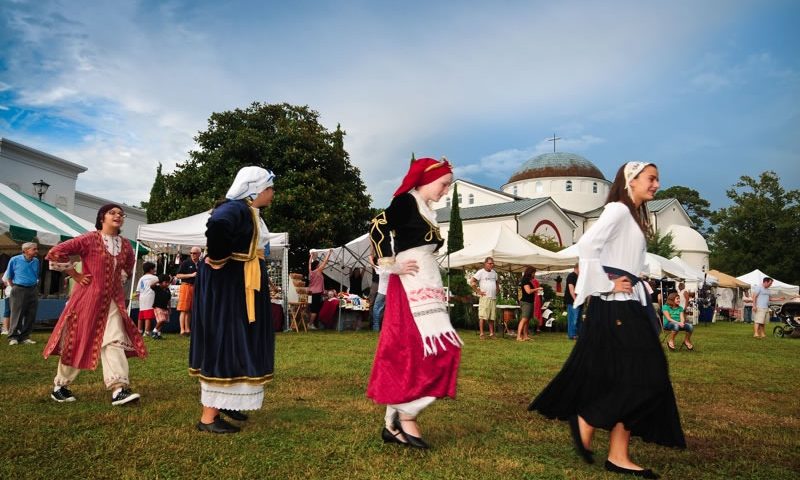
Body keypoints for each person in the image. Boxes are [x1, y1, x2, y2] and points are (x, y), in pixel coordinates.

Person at [529, 162, 685, 479]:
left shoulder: (632, 216)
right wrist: (606, 284)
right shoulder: (617, 210)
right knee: (650, 375)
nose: (657, 184)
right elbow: (587, 246)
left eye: (658, 178)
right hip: (616, 306)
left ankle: (618, 455)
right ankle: (586, 418)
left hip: (626, 304)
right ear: (632, 180)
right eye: (651, 178)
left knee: (628, 376)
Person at [367, 156, 462, 449]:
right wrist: (389, 263)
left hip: (426, 283)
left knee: (423, 350)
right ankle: (405, 417)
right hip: (409, 285)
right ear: (428, 179)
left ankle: (393, 421)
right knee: (415, 350)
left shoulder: (424, 209)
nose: (445, 191)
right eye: (444, 184)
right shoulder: (406, 202)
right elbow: (377, 225)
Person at [189, 166, 276, 434]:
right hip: (229, 287)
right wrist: (216, 259)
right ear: (257, 190)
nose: (273, 194)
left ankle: (227, 401)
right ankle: (208, 417)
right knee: (226, 338)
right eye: (271, 189)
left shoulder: (249, 212)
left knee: (240, 340)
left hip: (240, 284)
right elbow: (217, 226)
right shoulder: (236, 208)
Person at [44, 204, 147, 405]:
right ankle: (60, 385)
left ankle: (119, 389)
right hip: (87, 300)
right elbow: (56, 252)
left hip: (113, 302)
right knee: (78, 339)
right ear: (102, 218)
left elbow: (128, 264)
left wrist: (119, 279)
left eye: (121, 214)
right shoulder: (89, 239)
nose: (118, 216)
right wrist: (75, 274)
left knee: (114, 340)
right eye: (112, 213)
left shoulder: (125, 245)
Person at [6, 242, 41, 346]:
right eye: (34, 249)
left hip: (33, 288)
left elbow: (36, 274)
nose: (37, 251)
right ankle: (13, 337)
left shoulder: (36, 261)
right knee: (17, 314)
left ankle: (25, 337)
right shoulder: (15, 259)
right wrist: (15, 287)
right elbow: (9, 276)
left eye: (36, 249)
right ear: (26, 250)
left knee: (31, 314)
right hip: (19, 288)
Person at [471, 257, 499, 339]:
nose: (491, 265)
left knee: (492, 316)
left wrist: (497, 289)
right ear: (485, 264)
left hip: (493, 297)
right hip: (485, 297)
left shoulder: (494, 273)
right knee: (482, 316)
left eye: (492, 263)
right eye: (490, 263)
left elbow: (497, 282)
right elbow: (472, 282)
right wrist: (478, 291)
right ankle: (482, 334)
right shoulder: (481, 272)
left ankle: (491, 333)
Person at [176, 246, 201, 336]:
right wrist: (191, 275)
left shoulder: (200, 264)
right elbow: (178, 275)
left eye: (194, 253)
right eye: (191, 253)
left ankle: (187, 329)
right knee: (183, 309)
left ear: (199, 254)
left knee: (190, 309)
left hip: (195, 287)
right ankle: (182, 329)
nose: (192, 255)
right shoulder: (186, 263)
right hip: (186, 286)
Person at [308, 249, 332, 330]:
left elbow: (309, 264)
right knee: (315, 310)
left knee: (312, 309)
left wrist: (311, 256)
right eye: (319, 264)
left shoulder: (311, 271)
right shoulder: (318, 271)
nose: (320, 265)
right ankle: (310, 324)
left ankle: (312, 324)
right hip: (316, 293)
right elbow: (325, 262)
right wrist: (329, 253)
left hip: (311, 292)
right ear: (317, 266)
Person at [517, 266, 540, 341]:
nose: (534, 274)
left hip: (529, 302)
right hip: (526, 302)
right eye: (534, 273)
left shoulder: (527, 280)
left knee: (527, 320)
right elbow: (528, 291)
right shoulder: (525, 280)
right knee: (524, 319)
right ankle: (518, 336)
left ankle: (525, 336)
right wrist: (537, 289)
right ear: (531, 273)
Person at [136, 262, 159, 337]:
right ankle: (147, 331)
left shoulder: (141, 278)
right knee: (148, 315)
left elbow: (138, 291)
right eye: (153, 269)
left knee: (141, 314)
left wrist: (138, 298)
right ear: (151, 269)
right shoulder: (154, 278)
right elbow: (159, 287)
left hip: (142, 297)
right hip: (150, 297)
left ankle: (139, 330)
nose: (154, 270)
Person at [370, 253, 390, 332]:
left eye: (378, 261)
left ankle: (376, 327)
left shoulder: (381, 268)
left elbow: (372, 265)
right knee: (386, 310)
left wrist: (370, 258)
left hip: (381, 292)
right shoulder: (390, 269)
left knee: (376, 308)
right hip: (389, 292)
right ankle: (386, 327)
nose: (377, 262)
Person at [151, 274, 172, 339]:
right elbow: (151, 286)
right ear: (161, 282)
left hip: (165, 307)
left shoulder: (167, 290)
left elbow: (168, 299)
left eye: (168, 282)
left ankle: (158, 334)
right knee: (161, 320)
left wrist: (169, 307)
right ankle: (154, 331)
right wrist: (158, 281)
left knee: (163, 321)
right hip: (158, 306)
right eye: (165, 282)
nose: (167, 284)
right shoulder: (157, 288)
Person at [565, 264, 581, 340]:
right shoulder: (571, 276)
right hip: (572, 301)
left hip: (579, 301)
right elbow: (571, 290)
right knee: (573, 318)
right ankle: (572, 334)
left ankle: (578, 334)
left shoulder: (579, 277)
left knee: (578, 318)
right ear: (577, 268)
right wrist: (576, 300)